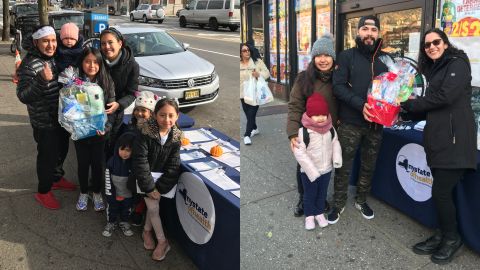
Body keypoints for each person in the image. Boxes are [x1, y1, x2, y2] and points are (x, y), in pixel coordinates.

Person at [400, 28, 477, 265]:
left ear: (445, 44)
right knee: (443, 192)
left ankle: (452, 238)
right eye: (427, 45)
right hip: (439, 139)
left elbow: (445, 97)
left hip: (455, 140)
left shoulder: (458, 63)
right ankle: (443, 233)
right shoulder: (434, 70)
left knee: (441, 192)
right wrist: (404, 113)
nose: (431, 46)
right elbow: (432, 106)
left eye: (436, 42)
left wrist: (409, 105)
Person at [329, 15, 389, 223]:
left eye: (373, 30)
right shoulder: (346, 56)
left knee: (369, 164)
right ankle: (338, 203)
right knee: (343, 165)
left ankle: (361, 199)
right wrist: (360, 104)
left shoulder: (385, 61)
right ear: (358, 32)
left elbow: (392, 92)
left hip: (376, 125)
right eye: (365, 29)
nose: (369, 33)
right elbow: (337, 86)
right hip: (350, 123)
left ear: (378, 33)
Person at [16, 25, 76, 210]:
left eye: (53, 40)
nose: (51, 45)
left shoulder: (54, 58)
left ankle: (56, 178)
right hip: (44, 122)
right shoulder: (29, 64)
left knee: (62, 150)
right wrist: (41, 79)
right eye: (45, 41)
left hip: (60, 118)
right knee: (47, 157)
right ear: (36, 42)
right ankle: (43, 191)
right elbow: (23, 96)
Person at [287, 34, 338, 217]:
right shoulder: (303, 79)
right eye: (319, 55)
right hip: (308, 134)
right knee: (304, 166)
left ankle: (319, 198)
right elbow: (295, 106)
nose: (323, 60)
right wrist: (293, 133)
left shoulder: (339, 78)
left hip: (329, 132)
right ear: (313, 58)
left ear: (333, 57)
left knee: (324, 167)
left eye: (327, 55)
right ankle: (304, 198)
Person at [132, 98, 182, 261]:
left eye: (170, 116)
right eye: (162, 115)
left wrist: (159, 188)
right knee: (153, 208)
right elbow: (140, 161)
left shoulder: (175, 136)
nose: (166, 120)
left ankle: (147, 231)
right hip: (146, 179)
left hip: (160, 182)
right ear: (154, 115)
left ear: (177, 116)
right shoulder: (145, 133)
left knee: (152, 206)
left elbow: (174, 164)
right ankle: (162, 241)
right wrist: (150, 188)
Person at [73, 47, 116, 212]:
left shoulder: (107, 81)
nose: (92, 65)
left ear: (100, 64)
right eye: (87, 61)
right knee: (83, 164)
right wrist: (73, 125)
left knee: (98, 164)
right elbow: (68, 107)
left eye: (95, 62)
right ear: (81, 62)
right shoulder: (74, 82)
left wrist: (106, 127)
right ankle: (84, 192)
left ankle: (97, 192)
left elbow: (111, 109)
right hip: (81, 133)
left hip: (99, 133)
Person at [293, 93, 342, 230]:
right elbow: (299, 153)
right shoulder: (304, 132)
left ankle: (319, 213)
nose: (320, 118)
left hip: (326, 169)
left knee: (322, 193)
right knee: (309, 194)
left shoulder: (330, 129)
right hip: (309, 172)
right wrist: (312, 171)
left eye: (323, 114)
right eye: (316, 114)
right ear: (309, 115)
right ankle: (309, 216)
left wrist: (336, 159)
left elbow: (335, 143)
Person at [99, 27, 139, 158]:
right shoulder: (97, 60)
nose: (107, 47)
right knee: (96, 150)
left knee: (111, 147)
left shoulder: (131, 65)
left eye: (110, 42)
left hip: (115, 113)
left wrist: (119, 104)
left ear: (120, 43)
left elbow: (132, 93)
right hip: (95, 112)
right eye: (103, 43)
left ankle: (108, 176)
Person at [103, 132, 136, 237]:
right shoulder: (111, 162)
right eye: (122, 149)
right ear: (117, 148)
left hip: (128, 195)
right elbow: (107, 180)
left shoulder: (135, 164)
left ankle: (124, 222)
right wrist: (110, 195)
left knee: (126, 210)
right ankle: (111, 223)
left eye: (128, 150)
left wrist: (134, 197)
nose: (124, 153)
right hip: (114, 194)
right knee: (113, 209)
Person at [240, 42, 270, 145]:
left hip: (255, 93)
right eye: (244, 50)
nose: (247, 52)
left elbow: (267, 73)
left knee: (252, 113)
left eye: (248, 50)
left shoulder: (257, 62)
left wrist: (259, 74)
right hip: (243, 93)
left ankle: (246, 135)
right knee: (248, 114)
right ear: (240, 53)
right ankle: (255, 128)